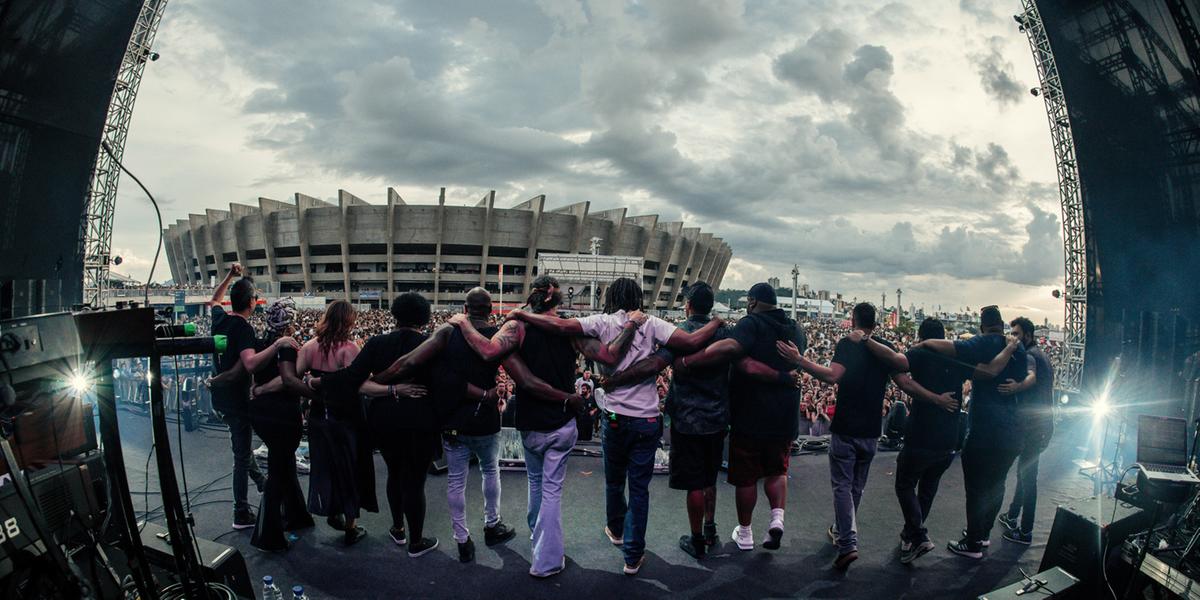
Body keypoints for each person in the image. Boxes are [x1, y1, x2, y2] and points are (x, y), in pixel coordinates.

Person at [507, 277, 722, 576]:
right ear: (638, 298)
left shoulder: (601, 322)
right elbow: (690, 342)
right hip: (646, 419)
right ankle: (632, 557)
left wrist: (521, 313)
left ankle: (616, 531)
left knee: (612, 481)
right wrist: (715, 323)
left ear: (611, 297)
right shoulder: (653, 324)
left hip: (614, 417)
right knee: (639, 490)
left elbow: (559, 326)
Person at [603, 282, 799, 560]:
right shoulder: (725, 332)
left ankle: (696, 539)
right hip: (718, 416)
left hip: (686, 418)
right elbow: (742, 363)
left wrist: (615, 380)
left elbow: (655, 364)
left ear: (688, 305)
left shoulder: (679, 332)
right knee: (709, 477)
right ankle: (711, 528)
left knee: (694, 482)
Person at [449, 276, 628, 578]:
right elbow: (608, 354)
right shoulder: (570, 329)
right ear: (559, 301)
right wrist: (634, 326)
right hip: (561, 422)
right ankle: (546, 561)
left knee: (536, 484)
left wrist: (464, 323)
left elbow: (491, 353)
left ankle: (539, 542)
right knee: (551, 491)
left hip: (531, 423)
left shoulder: (516, 327)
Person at [369, 289, 517, 562]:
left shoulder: (447, 333)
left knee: (456, 480)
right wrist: (490, 394)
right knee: (490, 471)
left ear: (465, 307)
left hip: (452, 420)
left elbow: (414, 363)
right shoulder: (498, 336)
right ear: (491, 308)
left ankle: (462, 539)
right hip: (485, 418)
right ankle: (492, 524)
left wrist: (382, 379)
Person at [670, 283, 806, 556]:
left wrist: (687, 362)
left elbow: (737, 356)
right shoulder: (797, 329)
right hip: (776, 415)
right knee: (776, 471)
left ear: (753, 301)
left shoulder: (746, 325)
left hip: (739, 415)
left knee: (742, 479)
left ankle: (739, 534)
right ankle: (773, 519)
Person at [788, 302, 906, 569]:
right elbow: (903, 374)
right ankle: (842, 530)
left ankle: (847, 541)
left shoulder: (847, 343)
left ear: (852, 320)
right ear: (876, 324)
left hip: (846, 427)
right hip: (872, 431)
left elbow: (832, 377)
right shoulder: (885, 346)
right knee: (856, 486)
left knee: (842, 485)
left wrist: (799, 360)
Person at [914, 305, 1028, 559]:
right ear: (1002, 324)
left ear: (982, 326)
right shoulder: (1017, 347)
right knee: (997, 485)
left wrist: (924, 344)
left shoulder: (984, 343)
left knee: (976, 487)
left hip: (986, 431)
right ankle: (983, 534)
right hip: (1013, 432)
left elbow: (953, 347)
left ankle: (974, 543)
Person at [213, 298, 317, 551]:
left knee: (285, 464)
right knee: (279, 471)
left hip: (260, 414)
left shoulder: (259, 344)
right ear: (289, 322)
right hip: (281, 414)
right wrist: (317, 393)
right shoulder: (287, 347)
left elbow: (244, 370)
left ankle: (296, 515)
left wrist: (253, 389)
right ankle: (267, 534)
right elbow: (288, 380)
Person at [205, 264, 292, 530]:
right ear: (252, 303)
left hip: (220, 399)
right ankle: (240, 512)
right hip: (235, 399)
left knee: (241, 448)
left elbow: (213, 300)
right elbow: (248, 365)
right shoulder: (244, 329)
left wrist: (230, 276)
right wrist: (277, 344)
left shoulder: (220, 318)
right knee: (241, 456)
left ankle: (262, 483)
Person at [888, 318, 972, 563]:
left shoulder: (920, 352)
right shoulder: (957, 355)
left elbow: (901, 373)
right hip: (949, 439)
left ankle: (920, 535)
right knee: (928, 488)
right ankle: (910, 537)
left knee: (904, 484)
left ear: (922, 337)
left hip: (922, 433)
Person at [297, 300, 372, 546]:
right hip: (345, 418)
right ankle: (351, 526)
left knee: (324, 466)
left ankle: (332, 511)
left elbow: (295, 377)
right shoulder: (349, 349)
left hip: (319, 416)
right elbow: (358, 382)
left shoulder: (309, 347)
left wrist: (313, 388)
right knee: (348, 469)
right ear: (348, 321)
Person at [998, 316, 1054, 545]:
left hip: (1034, 426)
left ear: (1028, 336)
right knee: (1024, 471)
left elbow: (1031, 377)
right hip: (1041, 423)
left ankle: (1026, 531)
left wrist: (1015, 388)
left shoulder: (1030, 355)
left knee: (1029, 478)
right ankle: (1012, 516)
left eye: (1017, 334)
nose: (1013, 337)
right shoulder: (1043, 356)